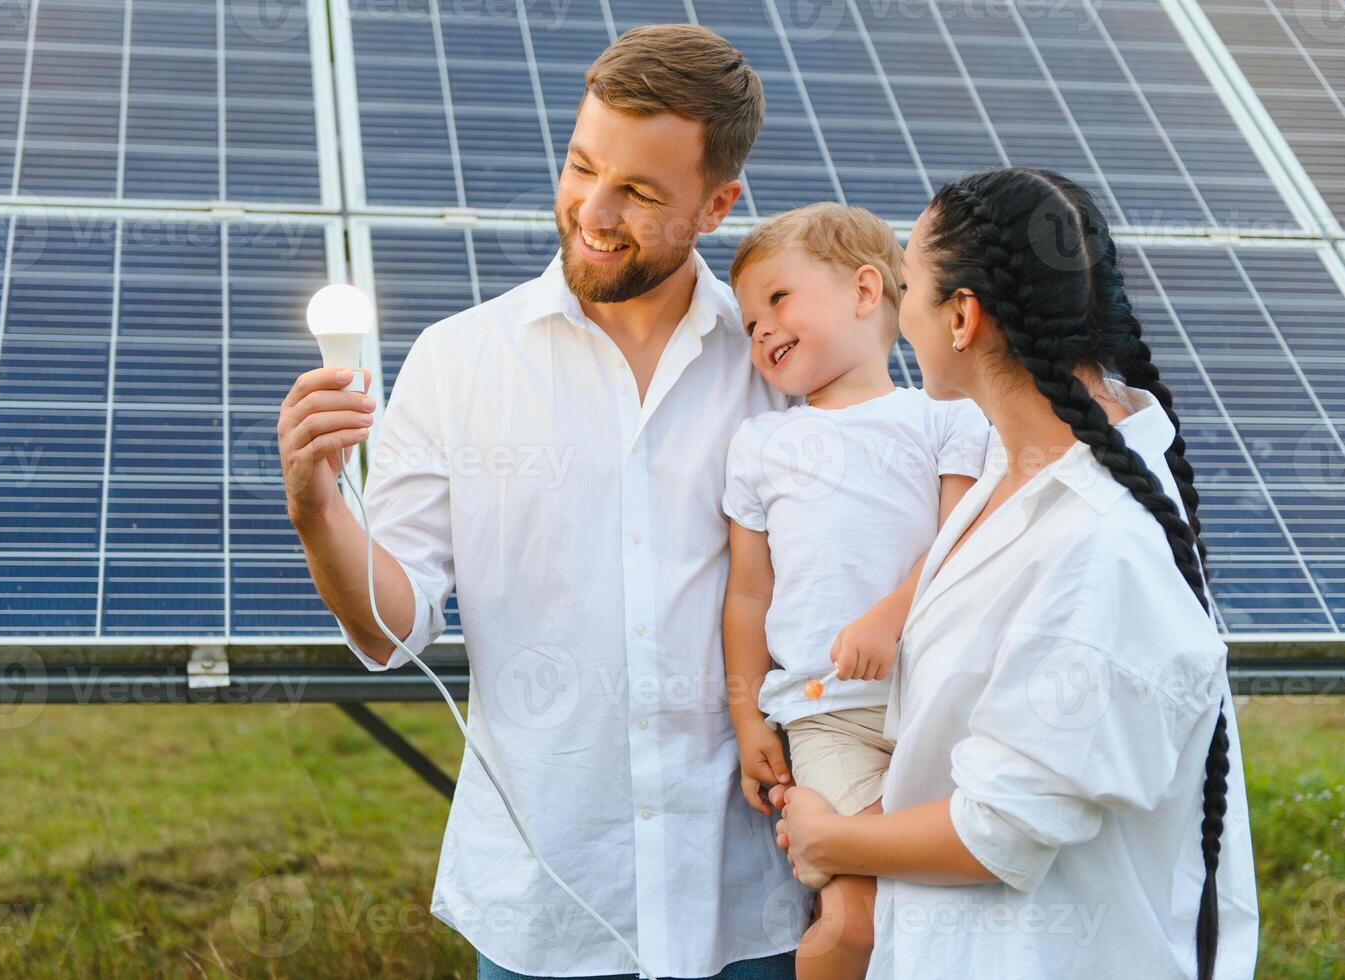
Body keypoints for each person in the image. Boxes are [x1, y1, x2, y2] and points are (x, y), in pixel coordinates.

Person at [281, 24, 805, 980]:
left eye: (641, 193)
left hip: (752, 903)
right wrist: (322, 517)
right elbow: (392, 633)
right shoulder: (458, 361)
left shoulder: (784, 370)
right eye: (580, 167)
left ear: (718, 204)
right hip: (548, 905)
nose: (592, 213)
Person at [770, 166, 1259, 979]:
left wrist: (830, 837)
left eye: (906, 288)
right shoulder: (1021, 454)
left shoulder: (1101, 545)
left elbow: (1002, 828)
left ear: (961, 316)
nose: (895, 318)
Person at [719, 203, 987, 979]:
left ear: (866, 290)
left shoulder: (941, 416)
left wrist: (887, 617)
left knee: (941, 906)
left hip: (934, 702)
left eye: (778, 299)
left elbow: (961, 544)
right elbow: (746, 594)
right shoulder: (761, 443)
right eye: (746, 321)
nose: (761, 328)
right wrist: (746, 718)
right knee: (856, 917)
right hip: (826, 713)